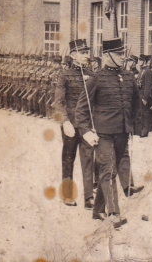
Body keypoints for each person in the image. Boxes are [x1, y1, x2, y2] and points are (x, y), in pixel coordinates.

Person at [75, 38, 140, 228]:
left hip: (122, 133)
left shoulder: (129, 77)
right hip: (102, 134)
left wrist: (131, 125)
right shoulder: (96, 78)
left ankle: (97, 211)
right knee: (108, 170)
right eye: (118, 54)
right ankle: (114, 213)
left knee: (109, 170)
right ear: (106, 55)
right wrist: (86, 131)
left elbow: (136, 104)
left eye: (123, 53)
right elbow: (81, 109)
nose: (122, 57)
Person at [54, 39, 95, 209]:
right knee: (68, 159)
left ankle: (88, 198)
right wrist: (65, 122)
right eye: (83, 52)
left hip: (86, 125)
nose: (87, 55)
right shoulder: (64, 75)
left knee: (88, 160)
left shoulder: (92, 74)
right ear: (72, 55)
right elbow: (58, 102)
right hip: (71, 125)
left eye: (87, 52)